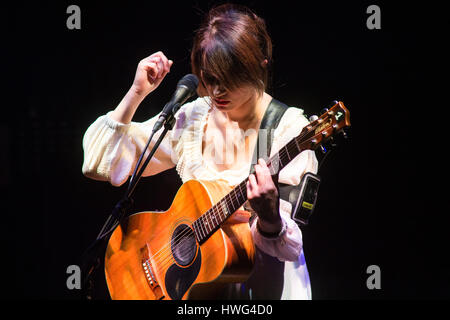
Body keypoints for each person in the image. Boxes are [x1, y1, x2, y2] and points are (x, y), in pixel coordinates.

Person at [82, 3, 317, 300]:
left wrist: (269, 217)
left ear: (260, 65)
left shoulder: (286, 130)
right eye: (209, 78)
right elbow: (101, 162)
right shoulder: (192, 118)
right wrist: (136, 94)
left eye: (228, 80)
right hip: (196, 294)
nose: (217, 91)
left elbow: (288, 246)